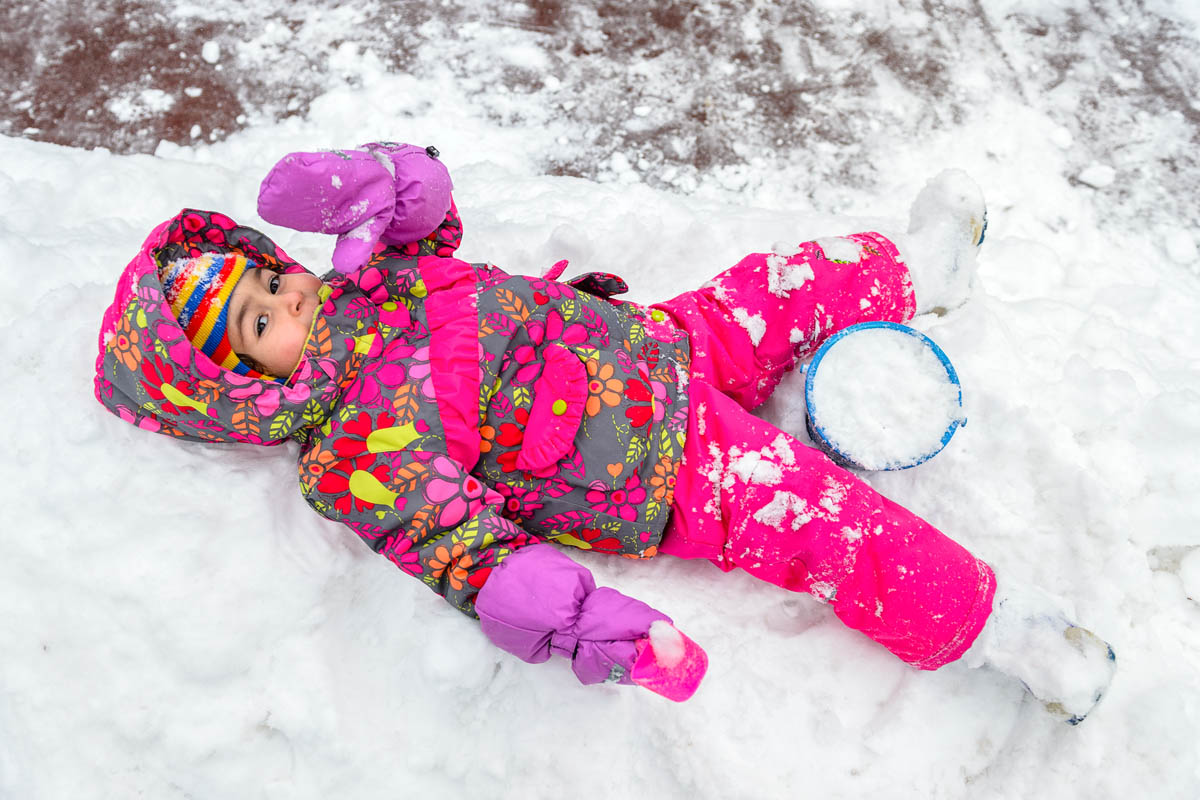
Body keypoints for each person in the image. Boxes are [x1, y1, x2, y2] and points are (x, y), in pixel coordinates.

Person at [93, 142, 1116, 719]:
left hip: (653, 341)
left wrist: (382, 181)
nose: (289, 299)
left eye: (270, 275)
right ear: (234, 386)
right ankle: (1011, 633)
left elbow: (433, 218)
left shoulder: (370, 275)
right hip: (659, 468)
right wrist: (576, 621)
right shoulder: (355, 450)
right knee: (826, 521)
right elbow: (462, 552)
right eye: (259, 322)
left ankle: (921, 271)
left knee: (782, 281)